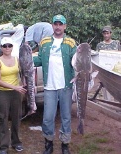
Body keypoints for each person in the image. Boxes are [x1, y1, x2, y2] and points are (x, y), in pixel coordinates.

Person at [33, 14, 76, 154]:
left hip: (66, 85)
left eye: (60, 24)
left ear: (65, 26)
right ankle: (49, 143)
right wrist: (23, 61)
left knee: (66, 117)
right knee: (47, 117)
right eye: (55, 24)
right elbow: (38, 59)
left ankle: (65, 144)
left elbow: (77, 61)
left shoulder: (70, 42)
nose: (58, 27)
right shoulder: (44, 41)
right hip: (49, 86)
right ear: (52, 25)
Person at [0, 37, 27, 154]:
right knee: (2, 119)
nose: (7, 48)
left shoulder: (17, 59)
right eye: (5, 46)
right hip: (2, 93)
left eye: (9, 45)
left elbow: (23, 73)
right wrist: (15, 87)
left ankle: (16, 143)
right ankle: (3, 147)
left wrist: (23, 84)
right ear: (1, 48)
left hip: (16, 93)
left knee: (16, 118)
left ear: (13, 47)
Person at [96, 26, 120, 101]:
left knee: (117, 90)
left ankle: (117, 107)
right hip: (104, 72)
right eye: (104, 33)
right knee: (106, 91)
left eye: (107, 33)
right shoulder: (100, 45)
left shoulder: (116, 43)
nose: (106, 35)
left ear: (111, 34)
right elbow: (97, 58)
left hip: (115, 71)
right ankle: (108, 105)